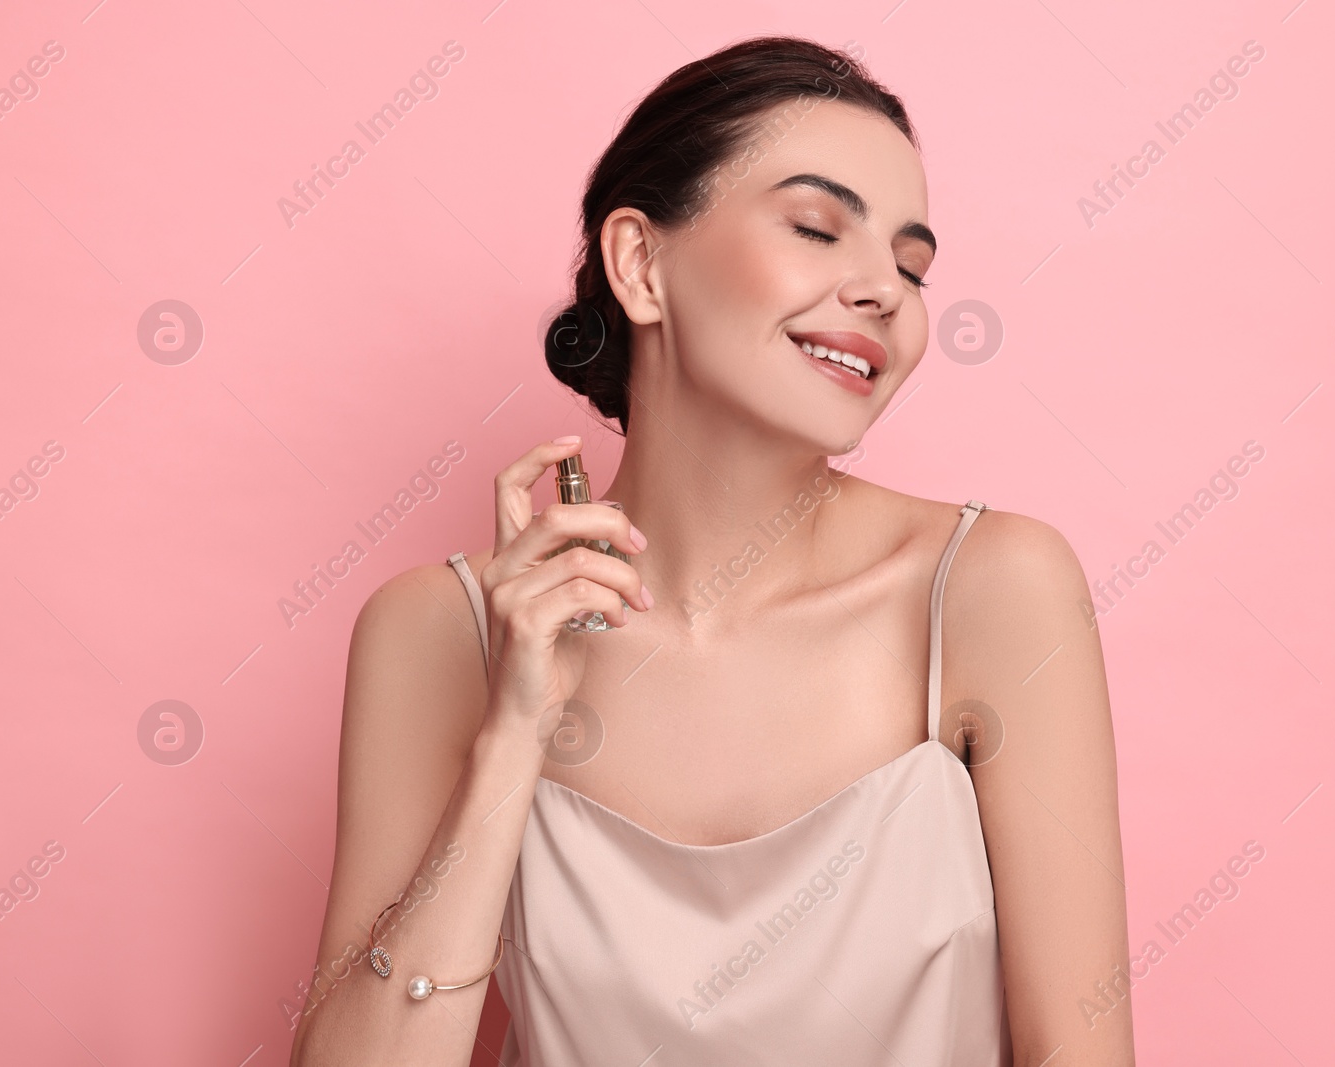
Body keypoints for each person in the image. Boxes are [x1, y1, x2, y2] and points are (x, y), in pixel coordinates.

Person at [291, 34, 1133, 1067]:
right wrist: (513, 734)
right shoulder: (439, 632)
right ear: (641, 264)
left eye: (910, 267)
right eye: (819, 228)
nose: (883, 291)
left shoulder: (991, 589)